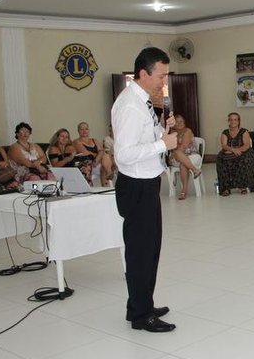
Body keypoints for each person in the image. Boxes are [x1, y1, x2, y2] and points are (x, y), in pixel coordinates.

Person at [112, 47, 178, 333]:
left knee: (149, 250)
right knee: (141, 252)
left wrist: (162, 131)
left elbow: (143, 139)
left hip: (147, 183)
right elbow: (124, 154)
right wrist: (164, 145)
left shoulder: (143, 102)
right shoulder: (129, 105)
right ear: (143, 73)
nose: (163, 82)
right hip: (136, 186)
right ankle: (141, 316)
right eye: (160, 75)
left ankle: (140, 304)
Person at [216, 112, 254, 196]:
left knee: (242, 159)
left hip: (244, 151)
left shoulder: (244, 131)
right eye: (231, 120)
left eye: (235, 119)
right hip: (230, 151)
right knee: (220, 158)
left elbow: (247, 145)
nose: (233, 121)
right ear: (228, 121)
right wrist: (233, 150)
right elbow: (224, 145)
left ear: (238, 121)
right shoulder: (225, 132)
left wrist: (238, 150)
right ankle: (225, 188)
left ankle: (242, 187)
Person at [167, 114, 202, 200]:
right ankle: (195, 170)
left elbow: (183, 146)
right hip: (178, 158)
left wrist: (174, 153)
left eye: (181, 121)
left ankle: (184, 191)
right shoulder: (172, 133)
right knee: (180, 158)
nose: (179, 123)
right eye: (177, 122)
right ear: (174, 123)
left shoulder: (188, 131)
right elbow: (171, 147)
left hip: (193, 156)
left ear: (184, 122)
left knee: (182, 162)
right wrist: (172, 154)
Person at [74, 121, 114, 186]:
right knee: (104, 156)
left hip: (98, 163)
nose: (84, 131)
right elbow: (87, 153)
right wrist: (98, 155)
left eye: (86, 129)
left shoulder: (94, 140)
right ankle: (109, 173)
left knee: (104, 163)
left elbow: (101, 151)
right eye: (82, 129)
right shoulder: (76, 142)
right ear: (78, 131)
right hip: (88, 164)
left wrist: (97, 159)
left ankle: (106, 187)